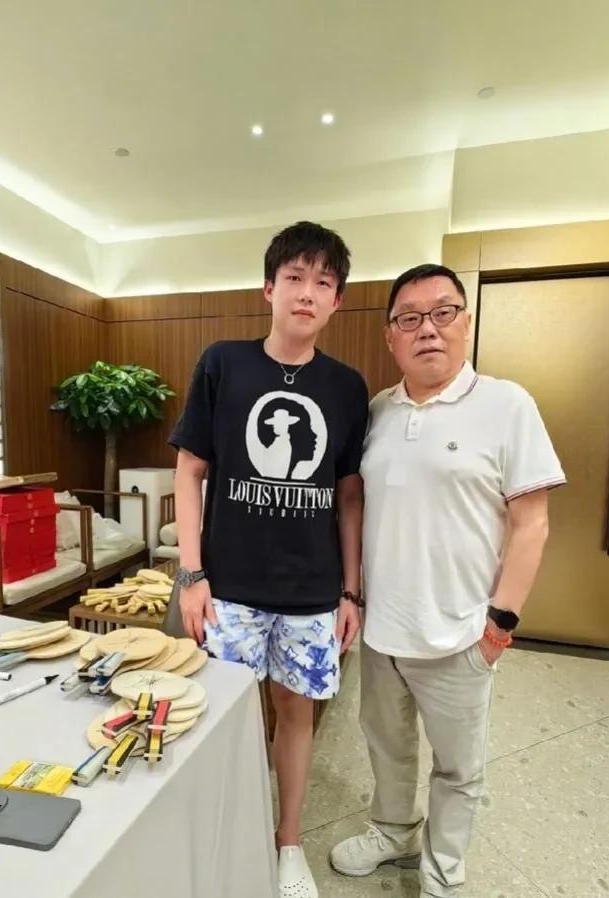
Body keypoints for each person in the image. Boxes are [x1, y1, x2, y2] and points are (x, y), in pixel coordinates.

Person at [331, 263, 565, 897]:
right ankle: (393, 831)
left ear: (466, 322)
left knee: (459, 768)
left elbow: (532, 523)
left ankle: (443, 867)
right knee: (386, 744)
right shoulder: (378, 411)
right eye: (409, 318)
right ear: (390, 336)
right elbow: (357, 506)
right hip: (383, 628)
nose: (427, 329)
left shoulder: (507, 405)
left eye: (442, 313)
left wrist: (500, 623)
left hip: (462, 631)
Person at [169, 221, 369, 898]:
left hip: (312, 592)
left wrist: (350, 591)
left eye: (323, 282)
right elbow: (189, 471)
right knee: (224, 714)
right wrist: (191, 574)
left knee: (297, 712)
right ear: (268, 288)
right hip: (229, 587)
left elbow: (349, 496)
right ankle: (226, 830)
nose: (307, 293)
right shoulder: (223, 364)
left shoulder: (346, 387)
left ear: (337, 301)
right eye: (294, 278)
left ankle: (288, 843)